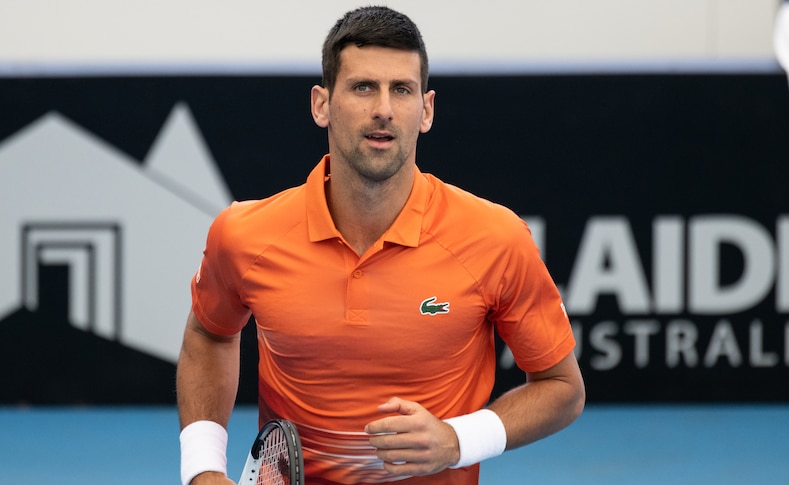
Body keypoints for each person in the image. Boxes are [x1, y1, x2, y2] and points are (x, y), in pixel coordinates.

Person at [176, 6, 585, 485]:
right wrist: (202, 469)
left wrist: (459, 439)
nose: (384, 109)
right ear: (321, 104)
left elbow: (562, 389)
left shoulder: (497, 238)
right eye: (363, 87)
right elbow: (210, 334)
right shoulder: (244, 234)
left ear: (426, 109)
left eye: (402, 89)